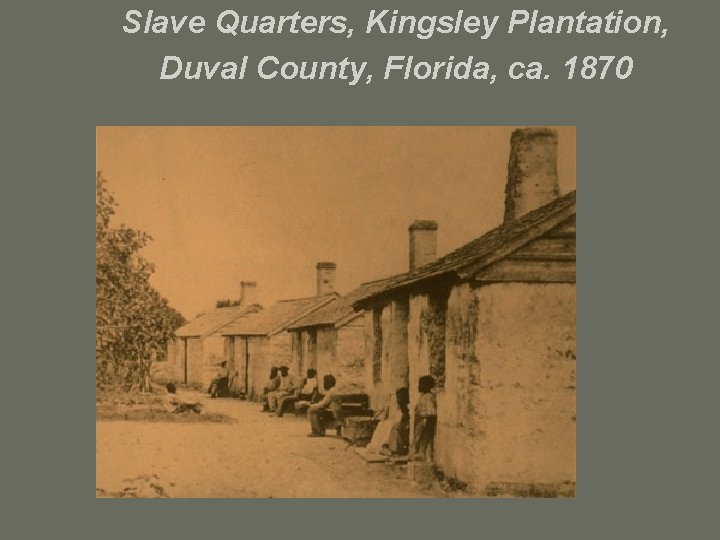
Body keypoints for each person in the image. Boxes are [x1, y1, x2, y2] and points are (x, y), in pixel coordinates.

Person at [413, 375, 437, 461]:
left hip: (426, 421)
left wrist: (423, 414)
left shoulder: (429, 397)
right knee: (418, 437)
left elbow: (432, 412)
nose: (418, 386)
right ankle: (420, 454)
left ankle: (424, 456)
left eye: (421, 384)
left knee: (424, 439)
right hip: (421, 421)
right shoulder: (422, 396)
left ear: (427, 386)